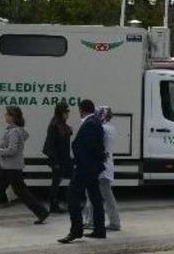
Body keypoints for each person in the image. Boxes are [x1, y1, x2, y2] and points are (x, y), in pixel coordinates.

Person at [0, 106, 50, 226]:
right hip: (10, 167)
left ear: (12, 117)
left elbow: (13, 150)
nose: (5, 116)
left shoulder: (14, 132)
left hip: (11, 167)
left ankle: (41, 212)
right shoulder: (14, 130)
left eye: (7, 114)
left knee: (16, 191)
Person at [58, 99, 107, 243]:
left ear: (82, 110)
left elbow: (91, 146)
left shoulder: (90, 123)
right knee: (95, 198)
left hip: (85, 168)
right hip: (91, 168)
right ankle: (99, 229)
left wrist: (79, 157)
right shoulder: (95, 122)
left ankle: (76, 230)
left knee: (72, 196)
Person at [84, 106, 121, 231]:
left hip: (101, 166)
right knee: (98, 194)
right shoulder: (111, 128)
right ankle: (92, 220)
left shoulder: (103, 128)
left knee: (101, 194)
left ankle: (113, 222)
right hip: (105, 165)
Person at [43, 102, 73, 214]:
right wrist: (55, 162)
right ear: (60, 113)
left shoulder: (62, 125)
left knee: (64, 180)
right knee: (56, 183)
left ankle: (66, 201)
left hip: (64, 159)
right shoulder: (55, 125)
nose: (68, 114)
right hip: (58, 160)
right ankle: (54, 205)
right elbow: (50, 145)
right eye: (66, 112)